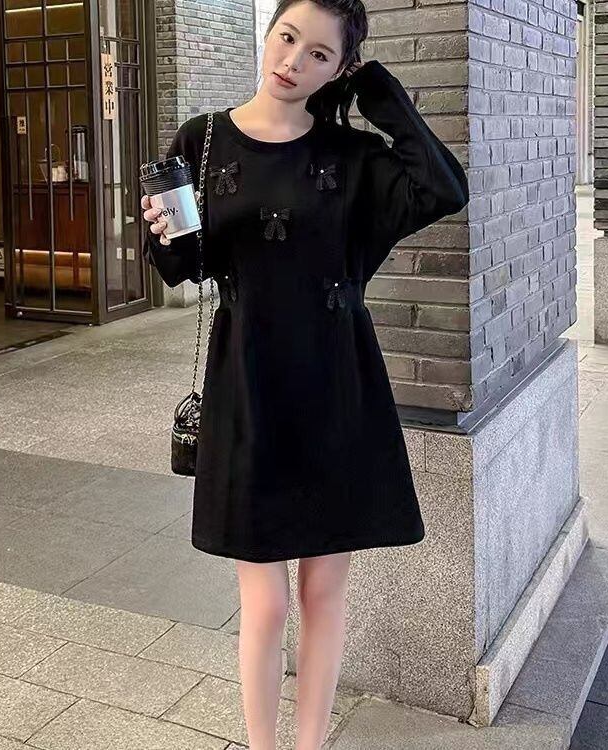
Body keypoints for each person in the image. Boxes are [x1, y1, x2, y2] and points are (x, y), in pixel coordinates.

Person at [141, 2, 469, 748]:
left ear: (339, 67)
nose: (293, 61)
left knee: (324, 593)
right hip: (248, 385)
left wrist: (376, 89)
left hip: (336, 385)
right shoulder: (203, 138)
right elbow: (185, 267)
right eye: (287, 38)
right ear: (269, 34)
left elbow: (443, 188)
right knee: (265, 604)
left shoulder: (352, 156)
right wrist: (160, 232)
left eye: (320, 54)